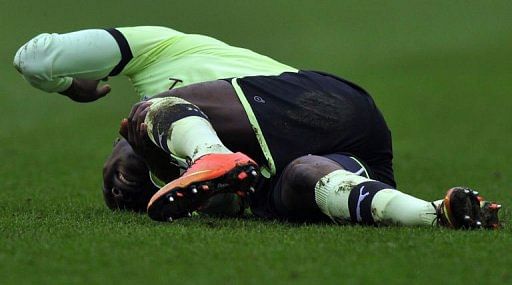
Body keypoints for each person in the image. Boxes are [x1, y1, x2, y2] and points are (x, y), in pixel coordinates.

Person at [14, 26, 501, 229]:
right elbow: (227, 202)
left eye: (117, 181)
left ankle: (211, 158)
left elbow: (35, 58)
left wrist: (66, 86)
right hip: (334, 147)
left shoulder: (161, 46)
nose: (118, 183)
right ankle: (435, 213)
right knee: (306, 180)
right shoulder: (181, 149)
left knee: (152, 111)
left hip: (309, 99)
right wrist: (159, 171)